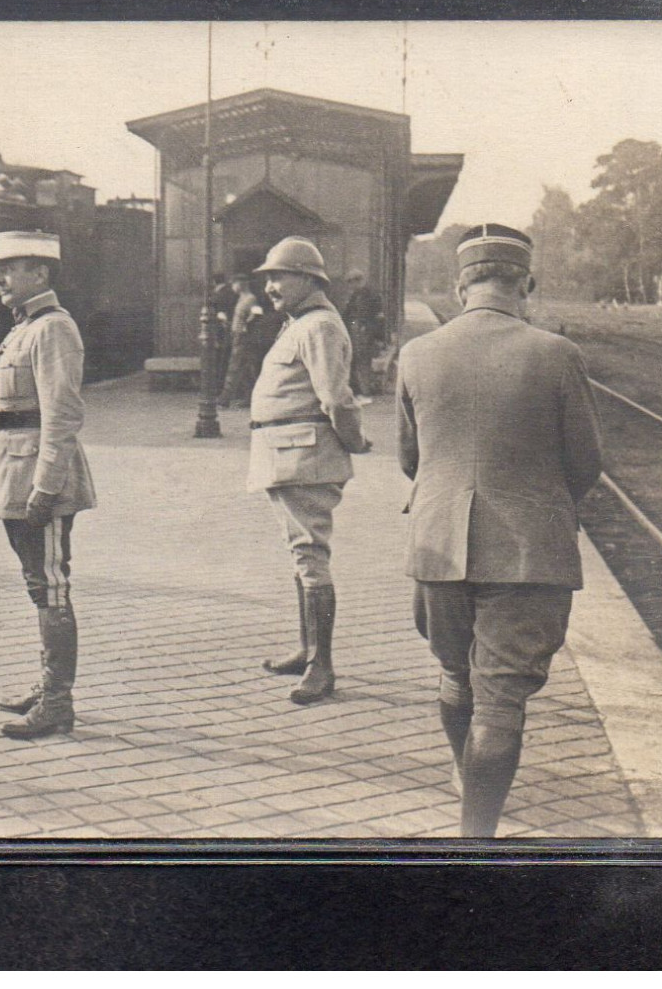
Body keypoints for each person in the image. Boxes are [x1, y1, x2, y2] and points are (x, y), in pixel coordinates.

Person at [395, 223, 602, 837]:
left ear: (460, 286)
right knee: (502, 701)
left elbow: (411, 460)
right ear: (526, 283)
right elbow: (585, 462)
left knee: (456, 674)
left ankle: (468, 785)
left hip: (436, 546)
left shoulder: (416, 353)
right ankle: (475, 841)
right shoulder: (557, 354)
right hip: (527, 551)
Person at [0, 230, 97, 740]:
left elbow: (62, 415)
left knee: (50, 585)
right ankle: (48, 684)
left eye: (9, 268)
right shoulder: (27, 327)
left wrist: (46, 488)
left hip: (37, 479)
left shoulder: (53, 329)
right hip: (16, 472)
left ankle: (57, 702)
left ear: (41, 274)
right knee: (38, 583)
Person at [247, 237, 372, 704]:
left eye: (279, 277)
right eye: (268, 279)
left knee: (309, 557)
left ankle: (321, 666)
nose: (271, 287)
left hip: (304, 455)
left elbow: (336, 399)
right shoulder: (300, 324)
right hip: (285, 455)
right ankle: (306, 650)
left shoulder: (318, 326)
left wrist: (355, 441)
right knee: (300, 555)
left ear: (309, 279)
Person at [340, 268, 385, 404]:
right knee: (356, 362)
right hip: (356, 332)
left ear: (358, 281)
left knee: (363, 363)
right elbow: (348, 314)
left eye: (351, 282)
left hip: (365, 333)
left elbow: (378, 318)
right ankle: (359, 392)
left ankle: (365, 393)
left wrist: (378, 337)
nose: (350, 286)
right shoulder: (356, 295)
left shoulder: (371, 295)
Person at [218, 274, 262, 408]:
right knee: (246, 369)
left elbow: (258, 314)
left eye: (234, 284)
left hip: (243, 337)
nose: (232, 287)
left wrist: (245, 326)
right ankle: (251, 398)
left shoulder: (250, 299)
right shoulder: (242, 299)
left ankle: (224, 399)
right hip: (238, 336)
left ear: (241, 283)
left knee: (234, 366)